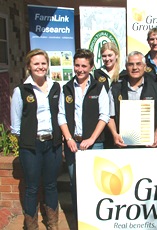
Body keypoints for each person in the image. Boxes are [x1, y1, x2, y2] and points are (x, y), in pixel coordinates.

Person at [10, 48, 62, 229]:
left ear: (47, 65)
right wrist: (27, 140)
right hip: (31, 146)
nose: (40, 67)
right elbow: (16, 125)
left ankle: (53, 223)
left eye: (43, 63)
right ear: (29, 67)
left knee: (50, 185)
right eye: (36, 64)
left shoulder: (56, 87)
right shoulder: (21, 90)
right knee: (31, 187)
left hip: (53, 144)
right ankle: (31, 225)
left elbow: (60, 114)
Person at [58, 49, 110, 220]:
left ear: (91, 67)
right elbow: (61, 115)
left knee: (96, 182)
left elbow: (104, 116)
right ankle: (79, 219)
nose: (79, 69)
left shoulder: (99, 87)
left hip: (95, 144)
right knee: (75, 184)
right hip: (73, 145)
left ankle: (96, 219)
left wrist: (92, 139)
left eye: (84, 66)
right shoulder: (66, 88)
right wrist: (69, 139)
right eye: (77, 65)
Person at [108, 51, 157, 148]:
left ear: (144, 66)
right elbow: (110, 117)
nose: (135, 68)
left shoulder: (155, 88)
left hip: (148, 146)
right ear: (126, 66)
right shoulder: (115, 88)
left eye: (138, 64)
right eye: (131, 64)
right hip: (123, 145)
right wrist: (114, 135)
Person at [93, 42, 125, 148]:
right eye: (104, 56)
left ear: (116, 55)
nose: (107, 59)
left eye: (110, 55)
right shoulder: (97, 74)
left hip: (121, 119)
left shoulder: (124, 74)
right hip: (103, 122)